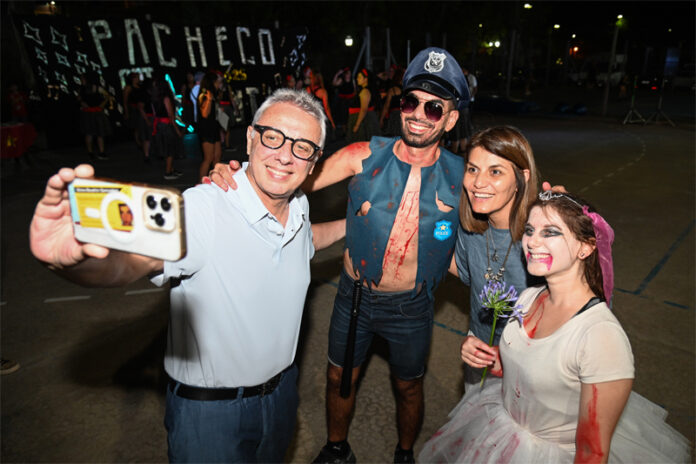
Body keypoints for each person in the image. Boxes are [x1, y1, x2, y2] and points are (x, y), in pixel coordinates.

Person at [28, 88, 346, 463]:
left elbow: (307, 240)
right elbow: (133, 261)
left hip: (280, 397)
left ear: (314, 161)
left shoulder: (299, 205)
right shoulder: (203, 209)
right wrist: (74, 262)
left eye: (302, 147)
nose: (285, 155)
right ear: (250, 137)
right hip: (211, 416)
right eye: (273, 137)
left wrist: (352, 226)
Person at [207, 47, 469, 464]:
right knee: (338, 378)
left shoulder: (463, 176)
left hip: (412, 306)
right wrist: (235, 176)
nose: (419, 114)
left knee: (408, 386)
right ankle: (336, 449)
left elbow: (502, 223)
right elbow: (285, 179)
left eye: (434, 107)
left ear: (451, 119)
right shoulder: (361, 155)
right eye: (411, 101)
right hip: (355, 297)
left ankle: (404, 453)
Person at [419, 192, 691, 463]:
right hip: (504, 434)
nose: (532, 242)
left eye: (550, 232)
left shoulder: (600, 336)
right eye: (529, 230)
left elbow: (592, 453)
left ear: (586, 247)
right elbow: (521, 368)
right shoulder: (529, 298)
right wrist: (485, 356)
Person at [452, 126, 541, 390]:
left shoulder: (542, 236)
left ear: (522, 178)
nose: (478, 183)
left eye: (495, 172)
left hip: (534, 362)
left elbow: (575, 315)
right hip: (480, 352)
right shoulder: (470, 227)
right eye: (472, 169)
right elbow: (469, 275)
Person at [148, 76, 183, 180]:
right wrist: (177, 130)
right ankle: (168, 172)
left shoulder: (154, 98)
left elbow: (155, 113)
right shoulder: (166, 98)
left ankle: (171, 169)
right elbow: (171, 116)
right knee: (170, 149)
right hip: (166, 125)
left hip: (159, 125)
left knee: (165, 148)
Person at [77, 73, 112, 161]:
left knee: (100, 132)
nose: (82, 81)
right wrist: (82, 103)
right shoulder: (81, 89)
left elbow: (107, 96)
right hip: (87, 113)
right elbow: (79, 98)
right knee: (89, 133)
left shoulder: (96, 88)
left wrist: (102, 104)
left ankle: (101, 152)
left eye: (83, 79)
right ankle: (90, 152)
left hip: (97, 112)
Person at [197, 71, 223, 180]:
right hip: (206, 129)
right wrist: (208, 99)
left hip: (214, 127)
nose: (219, 84)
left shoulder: (214, 94)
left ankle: (216, 180)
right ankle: (200, 184)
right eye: (217, 82)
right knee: (208, 158)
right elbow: (204, 114)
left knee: (217, 157)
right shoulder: (204, 94)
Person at [346, 68, 380, 143]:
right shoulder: (362, 90)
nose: (357, 79)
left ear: (365, 79)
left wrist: (357, 125)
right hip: (359, 118)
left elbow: (363, 109)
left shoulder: (365, 91)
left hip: (363, 121)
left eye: (359, 77)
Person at [379, 67, 404, 136]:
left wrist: (381, 119)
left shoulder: (393, 90)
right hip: (405, 115)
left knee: (393, 135)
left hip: (395, 116)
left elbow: (386, 106)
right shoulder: (408, 89)